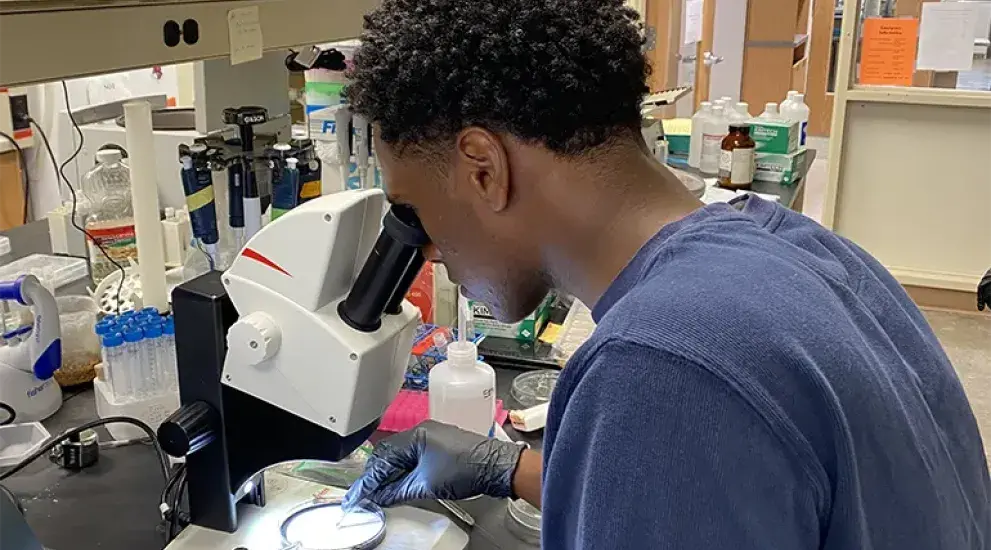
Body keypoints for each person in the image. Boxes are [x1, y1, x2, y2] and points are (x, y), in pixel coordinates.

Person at [339, 0, 991, 548]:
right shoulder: (806, 249)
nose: (427, 252)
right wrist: (512, 468)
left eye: (414, 211)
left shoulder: (657, 364)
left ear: (484, 168)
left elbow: (689, 418)